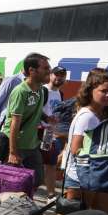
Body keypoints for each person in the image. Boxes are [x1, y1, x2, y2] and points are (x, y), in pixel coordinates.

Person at [61, 68, 108, 215]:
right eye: (104, 91)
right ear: (91, 91)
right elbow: (76, 149)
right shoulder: (88, 117)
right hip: (81, 179)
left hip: (95, 177)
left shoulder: (98, 113)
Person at [1, 53, 51, 188]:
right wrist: (12, 152)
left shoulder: (40, 90)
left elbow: (36, 110)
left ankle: (24, 202)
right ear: (32, 71)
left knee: (37, 179)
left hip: (32, 144)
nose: (49, 71)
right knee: (13, 183)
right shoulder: (20, 91)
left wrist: (47, 118)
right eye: (45, 68)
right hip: (18, 145)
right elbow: (14, 123)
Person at [42, 66, 67, 198]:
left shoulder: (60, 93)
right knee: (38, 162)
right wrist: (46, 120)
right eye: (56, 74)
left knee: (51, 163)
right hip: (41, 132)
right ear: (50, 75)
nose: (59, 78)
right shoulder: (43, 90)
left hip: (52, 133)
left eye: (62, 75)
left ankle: (51, 193)